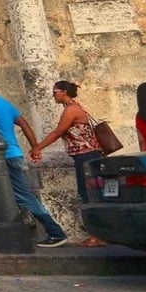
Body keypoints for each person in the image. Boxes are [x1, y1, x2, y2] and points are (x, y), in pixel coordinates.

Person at [0, 77, 68, 247]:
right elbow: (24, 124)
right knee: (2, 196)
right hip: (14, 153)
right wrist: (34, 147)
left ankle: (55, 232)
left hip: (4, 157)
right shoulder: (5, 103)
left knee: (22, 197)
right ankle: (11, 230)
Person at [29, 80, 106, 247]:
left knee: (88, 194)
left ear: (64, 92)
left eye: (55, 92)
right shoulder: (73, 107)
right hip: (85, 155)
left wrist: (38, 147)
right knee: (88, 194)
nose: (53, 95)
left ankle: (97, 235)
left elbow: (58, 131)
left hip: (86, 155)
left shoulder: (71, 110)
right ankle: (98, 234)